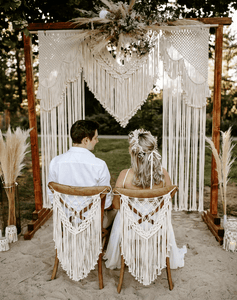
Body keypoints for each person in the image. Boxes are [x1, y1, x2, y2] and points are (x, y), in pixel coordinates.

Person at [104, 128, 187, 269]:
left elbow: (116, 206)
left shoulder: (124, 176)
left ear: (133, 153)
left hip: (129, 227)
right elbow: (168, 201)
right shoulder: (163, 174)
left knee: (115, 216)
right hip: (156, 225)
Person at [47, 120, 115, 228]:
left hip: (65, 220)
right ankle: (100, 242)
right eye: (95, 138)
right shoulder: (99, 165)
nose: (97, 141)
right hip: (92, 222)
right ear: (86, 140)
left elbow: (52, 197)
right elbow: (106, 204)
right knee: (117, 213)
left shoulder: (55, 162)